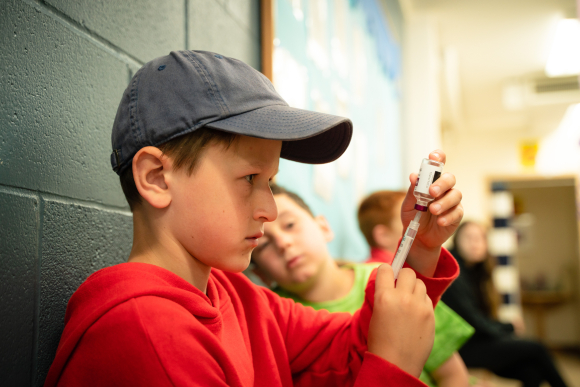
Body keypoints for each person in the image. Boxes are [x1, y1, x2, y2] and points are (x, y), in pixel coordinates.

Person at [44, 50, 462, 386]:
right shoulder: (145, 334)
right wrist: (394, 369)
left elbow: (351, 352)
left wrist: (420, 250)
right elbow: (379, 356)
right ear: (156, 178)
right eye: (249, 178)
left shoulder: (236, 296)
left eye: (271, 180)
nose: (271, 209)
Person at [357, 190, 475, 387]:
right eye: (407, 218)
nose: (421, 220)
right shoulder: (395, 285)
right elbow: (454, 373)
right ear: (382, 235)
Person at [442, 221, 569, 387]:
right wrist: (508, 327)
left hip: (477, 342)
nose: (475, 243)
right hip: (462, 348)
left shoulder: (476, 272)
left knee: (531, 371)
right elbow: (472, 319)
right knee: (538, 348)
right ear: (457, 240)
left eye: (480, 238)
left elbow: (479, 319)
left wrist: (504, 329)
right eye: (469, 238)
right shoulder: (454, 273)